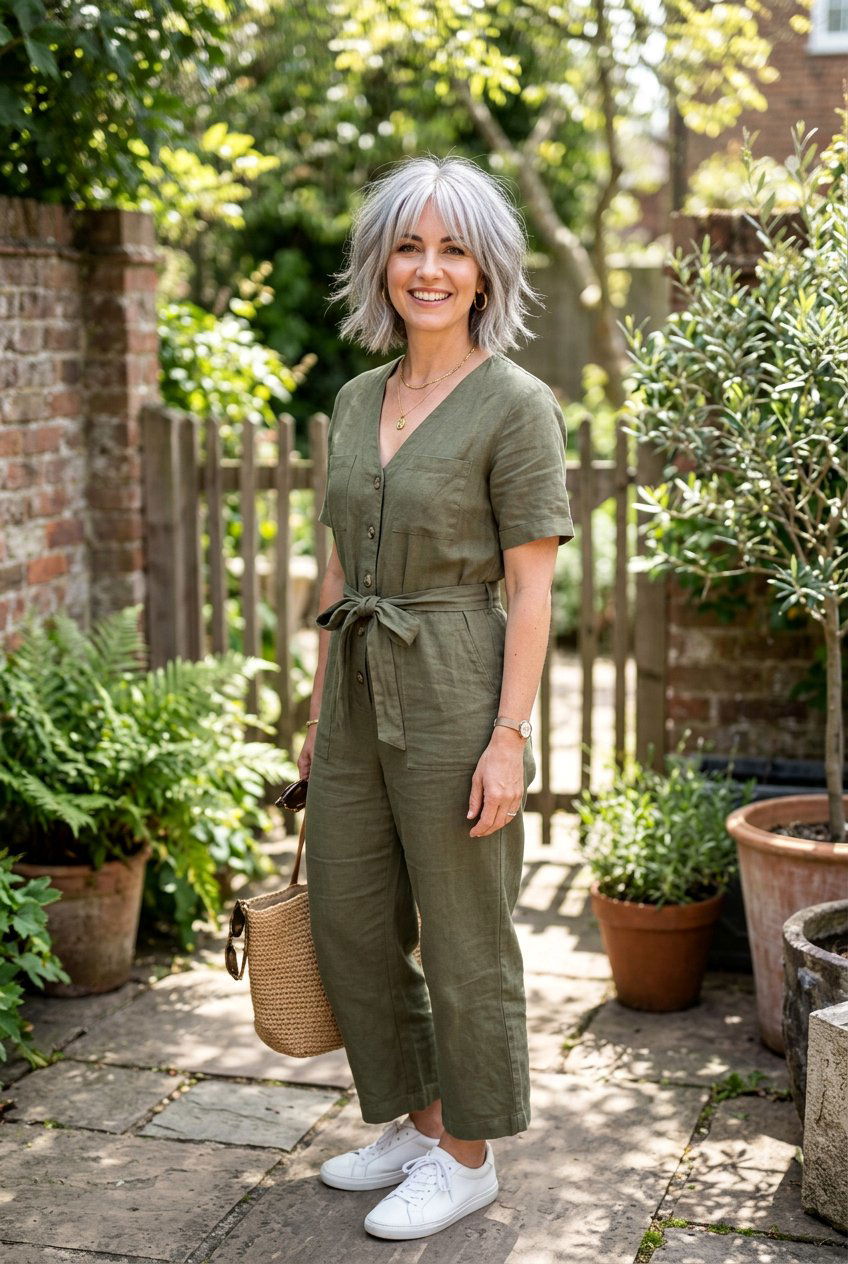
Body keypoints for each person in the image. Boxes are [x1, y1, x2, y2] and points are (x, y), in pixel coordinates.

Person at [298, 153, 574, 1242]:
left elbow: (532, 585)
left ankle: (470, 1153)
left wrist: (507, 738)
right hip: (357, 686)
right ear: (381, 262)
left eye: (451, 248)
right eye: (408, 245)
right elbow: (331, 572)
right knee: (350, 918)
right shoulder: (356, 397)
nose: (428, 267)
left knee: (463, 934)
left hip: (458, 676)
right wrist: (316, 716)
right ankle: (417, 1121)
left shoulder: (517, 406)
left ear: (484, 270)